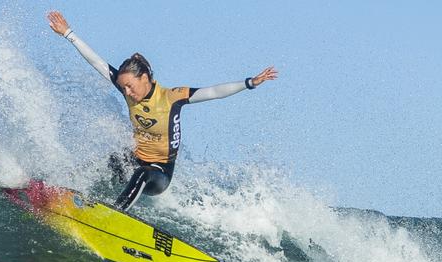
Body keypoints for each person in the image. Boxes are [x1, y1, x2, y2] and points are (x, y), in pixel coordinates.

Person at [47, 11, 277, 211]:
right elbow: (97, 62)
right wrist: (68, 33)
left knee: (141, 174)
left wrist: (249, 83)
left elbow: (213, 91)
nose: (126, 91)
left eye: (130, 86)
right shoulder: (129, 93)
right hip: (134, 160)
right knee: (110, 161)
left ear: (144, 78)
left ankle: (113, 214)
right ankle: (61, 192)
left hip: (159, 173)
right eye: (123, 86)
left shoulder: (171, 97)